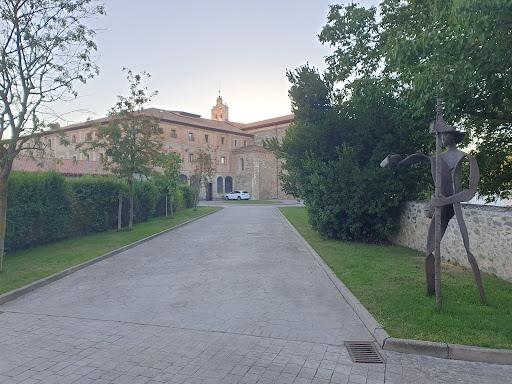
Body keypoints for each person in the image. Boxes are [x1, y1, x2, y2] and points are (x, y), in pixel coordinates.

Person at [380, 125, 487, 302]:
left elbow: (470, 192)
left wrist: (444, 201)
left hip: (452, 206)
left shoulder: (466, 158)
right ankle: (432, 291)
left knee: (467, 247)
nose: (443, 137)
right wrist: (396, 161)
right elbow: (417, 159)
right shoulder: (437, 159)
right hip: (441, 208)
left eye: (446, 133)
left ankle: (482, 296)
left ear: (454, 136)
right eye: (441, 134)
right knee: (430, 249)